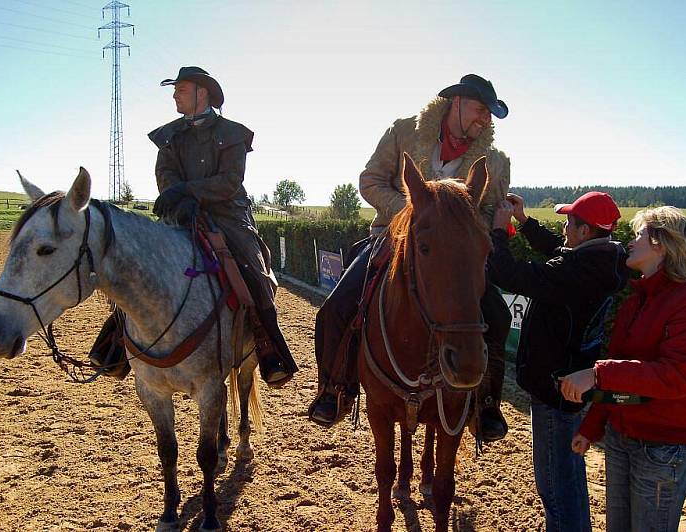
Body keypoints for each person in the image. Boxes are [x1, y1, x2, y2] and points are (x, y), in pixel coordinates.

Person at [309, 74, 512, 438]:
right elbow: (370, 180)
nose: (485, 120)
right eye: (481, 110)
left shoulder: (494, 162)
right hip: (393, 236)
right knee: (336, 307)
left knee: (495, 314)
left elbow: (487, 212)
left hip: (456, 256)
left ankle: (486, 405)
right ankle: (334, 389)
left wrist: (467, 228)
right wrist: (409, 212)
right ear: (457, 102)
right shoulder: (403, 131)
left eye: (489, 115)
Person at [561, 206, 686, 532]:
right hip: (623, 440)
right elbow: (626, 388)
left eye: (639, 235)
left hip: (663, 451)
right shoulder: (637, 300)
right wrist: (592, 427)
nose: (630, 242)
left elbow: (675, 378)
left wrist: (595, 374)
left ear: (661, 242)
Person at [147, 66, 298, 387]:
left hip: (229, 215)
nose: (175, 95)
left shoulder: (232, 133)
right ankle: (113, 342)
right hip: (182, 213)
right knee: (141, 262)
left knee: (254, 273)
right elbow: (166, 174)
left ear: (203, 93)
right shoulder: (169, 135)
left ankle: (270, 348)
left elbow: (231, 182)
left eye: (181, 89)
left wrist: (189, 191)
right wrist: (176, 195)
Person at [488, 191, 628, 532]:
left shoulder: (573, 273)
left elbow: (506, 273)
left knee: (556, 489)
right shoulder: (602, 262)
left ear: (585, 231)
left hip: (554, 390)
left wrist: (497, 231)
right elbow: (559, 252)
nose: (564, 228)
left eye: (569, 223)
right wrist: (524, 223)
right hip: (566, 382)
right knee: (566, 480)